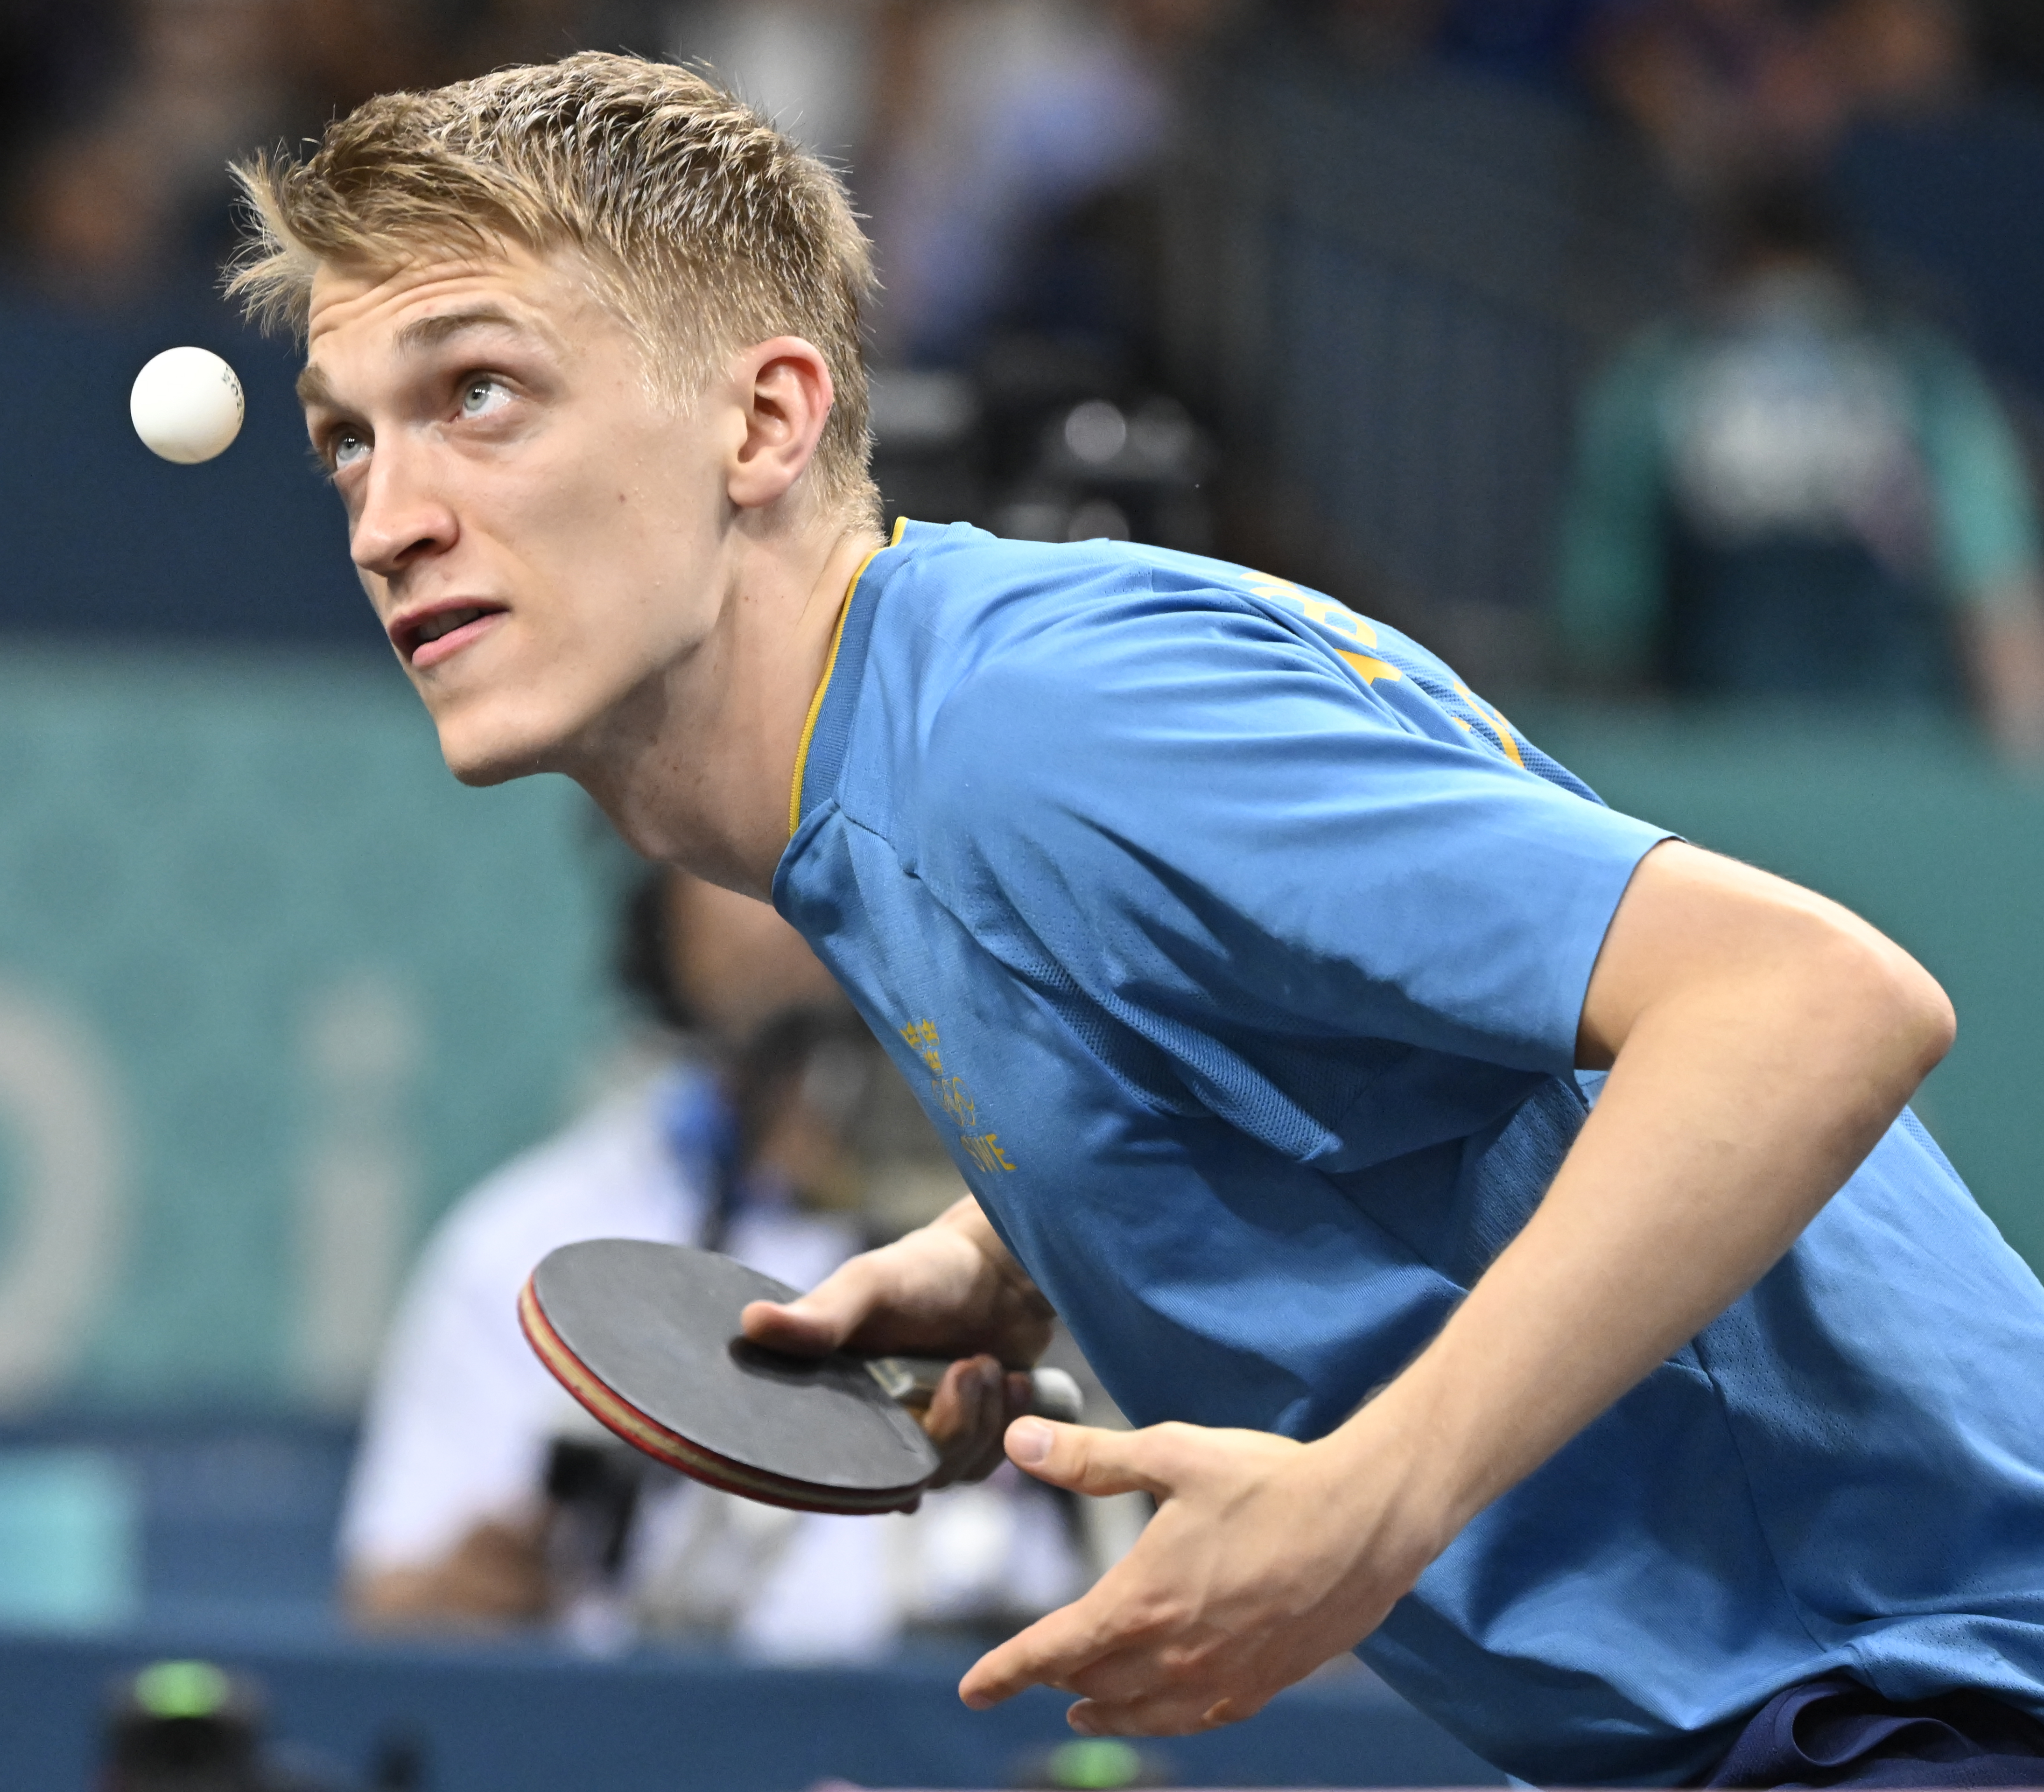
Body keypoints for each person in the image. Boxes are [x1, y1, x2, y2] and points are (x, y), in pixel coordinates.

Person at [229, 55, 2044, 1784]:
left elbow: (1808, 1002)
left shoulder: (1038, 734)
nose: (388, 518)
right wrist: (1035, 1230)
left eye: (476, 395)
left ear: (765, 419)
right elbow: (1355, 1040)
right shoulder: (900, 758)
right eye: (343, 443)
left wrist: (1376, 1498)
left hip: (1917, 1698)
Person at [340, 865, 1081, 1656]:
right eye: (747, 860)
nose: (808, 899)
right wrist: (484, 1590)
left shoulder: (1061, 1226)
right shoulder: (524, 1241)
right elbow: (398, 1611)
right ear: (656, 914)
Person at [1559, 174, 2044, 755]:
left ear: (1714, 266)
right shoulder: (1918, 376)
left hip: (1715, 773)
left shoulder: (1658, 380)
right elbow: (1994, 588)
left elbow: (1600, 622)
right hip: (1900, 770)